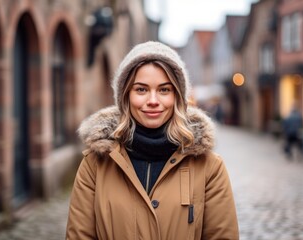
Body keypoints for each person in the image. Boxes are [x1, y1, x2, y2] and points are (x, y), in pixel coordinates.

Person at [66, 41, 239, 240]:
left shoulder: (209, 167)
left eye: (164, 90)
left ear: (177, 97)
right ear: (125, 96)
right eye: (141, 89)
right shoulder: (95, 164)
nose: (153, 100)